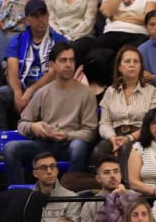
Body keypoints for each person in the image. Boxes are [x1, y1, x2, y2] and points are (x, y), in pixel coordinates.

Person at [7, 40, 97, 184]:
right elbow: (22, 124)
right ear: (52, 65)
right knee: (11, 148)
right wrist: (33, 127)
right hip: (44, 143)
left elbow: (90, 132)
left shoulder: (86, 93)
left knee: (79, 146)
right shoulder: (43, 92)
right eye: (63, 60)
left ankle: (70, 191)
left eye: (71, 60)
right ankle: (19, 192)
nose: (68, 64)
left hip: (69, 143)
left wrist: (67, 135)